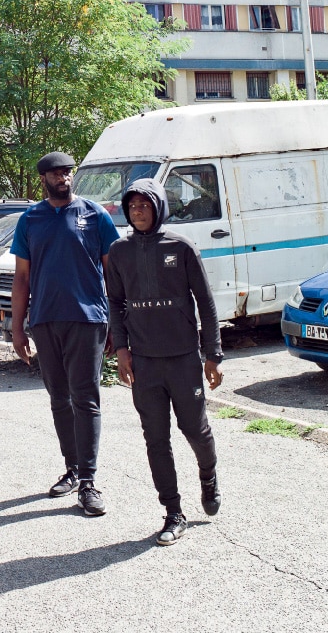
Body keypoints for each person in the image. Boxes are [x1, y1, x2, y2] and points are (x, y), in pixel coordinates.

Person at [106, 178, 223, 547]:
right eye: (132, 206)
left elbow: (205, 302)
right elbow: (116, 304)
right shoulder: (119, 252)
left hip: (184, 357)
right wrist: (122, 351)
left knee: (195, 430)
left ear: (159, 207)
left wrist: (212, 355)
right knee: (155, 438)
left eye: (145, 205)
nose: (138, 211)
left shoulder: (181, 247)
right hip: (144, 362)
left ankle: (208, 475)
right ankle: (172, 512)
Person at [10, 152, 119, 516]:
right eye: (56, 173)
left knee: (86, 397)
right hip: (44, 319)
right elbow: (22, 278)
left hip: (88, 318)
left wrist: (120, 322)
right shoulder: (30, 219)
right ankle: (71, 470)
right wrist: (17, 327)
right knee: (59, 398)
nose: (64, 177)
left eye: (67, 172)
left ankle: (89, 482)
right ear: (43, 178)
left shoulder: (95, 215)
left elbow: (113, 273)